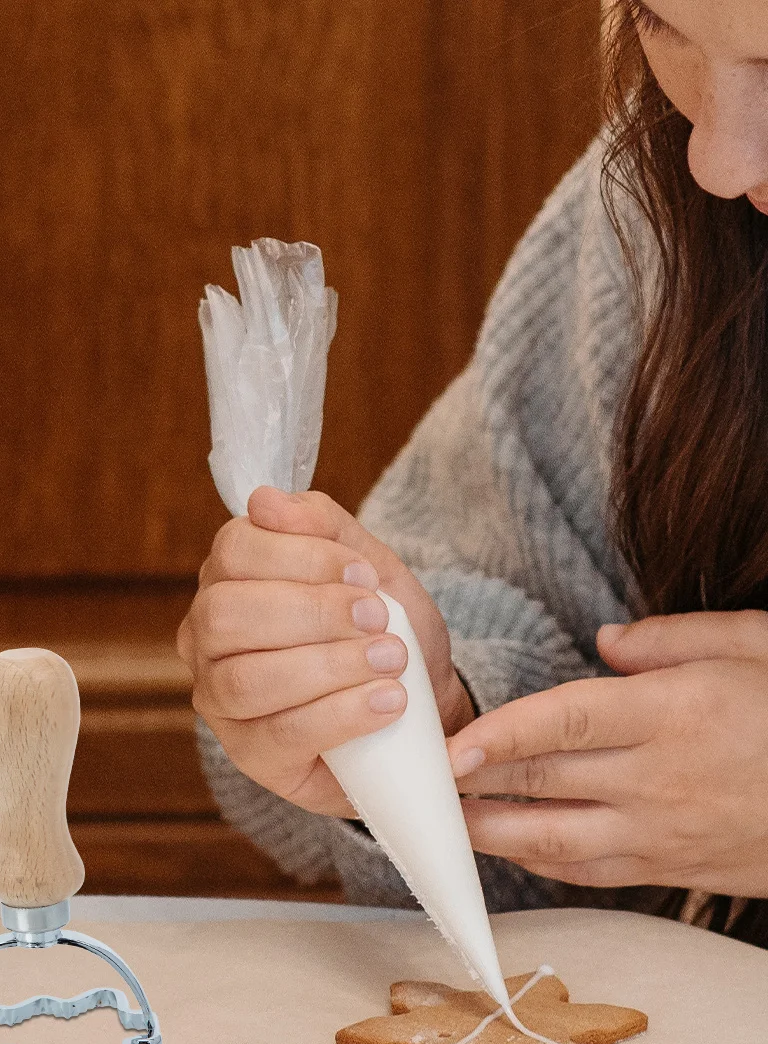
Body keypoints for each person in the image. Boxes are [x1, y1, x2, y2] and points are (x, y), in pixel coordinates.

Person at [181, 0, 768, 949]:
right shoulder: (654, 207)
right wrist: (426, 724)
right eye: (658, 22)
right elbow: (509, 598)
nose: (719, 161)